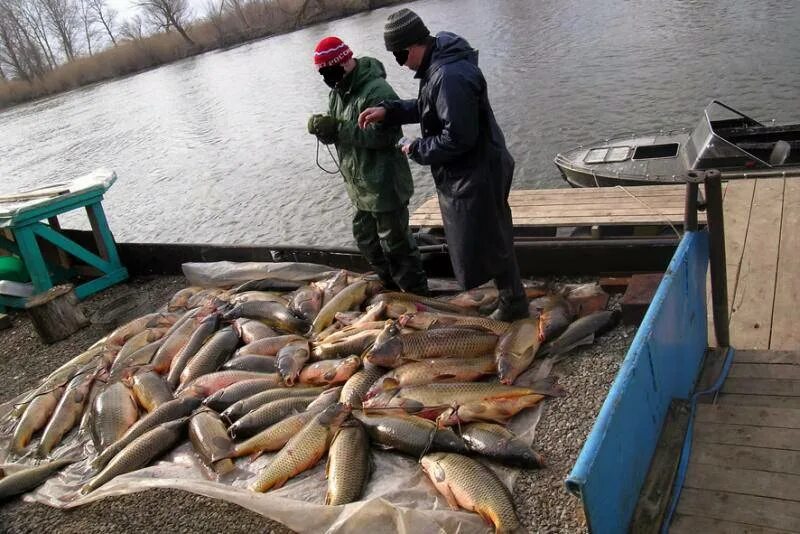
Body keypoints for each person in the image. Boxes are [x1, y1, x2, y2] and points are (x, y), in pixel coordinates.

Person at [357, 9, 528, 321]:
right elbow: (428, 108)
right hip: (473, 169)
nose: (401, 63)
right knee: (490, 236)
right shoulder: (440, 67)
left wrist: (416, 147)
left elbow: (458, 138)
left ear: (412, 46)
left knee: (492, 238)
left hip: (478, 171)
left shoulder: (449, 76)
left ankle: (514, 305)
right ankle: (510, 298)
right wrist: (390, 111)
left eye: (399, 55)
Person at [307, 36, 428, 295]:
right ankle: (391, 289)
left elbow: (385, 136)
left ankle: (418, 297)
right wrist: (326, 130)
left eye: (327, 69)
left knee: (397, 247)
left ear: (342, 61)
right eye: (321, 72)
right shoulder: (337, 93)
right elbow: (343, 132)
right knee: (366, 240)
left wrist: (339, 128)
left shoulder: (377, 90)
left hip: (384, 184)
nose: (326, 76)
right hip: (360, 186)